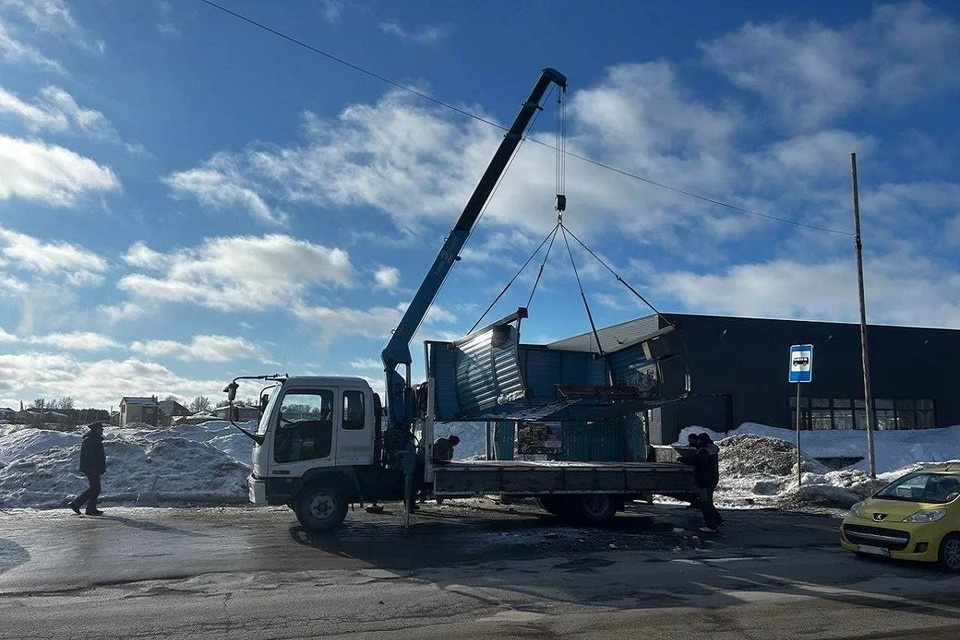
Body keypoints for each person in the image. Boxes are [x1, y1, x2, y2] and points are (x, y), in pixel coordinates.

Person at [67, 422, 107, 516]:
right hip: (91, 468)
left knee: (95, 488)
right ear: (95, 429)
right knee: (95, 488)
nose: (102, 430)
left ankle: (90, 508)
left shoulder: (94, 439)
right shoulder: (90, 440)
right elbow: (91, 457)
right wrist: (96, 468)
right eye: (100, 429)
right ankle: (77, 504)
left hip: (93, 467)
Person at [693, 432, 723, 533]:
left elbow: (700, 463)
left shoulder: (703, 451)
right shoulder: (712, 449)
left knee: (705, 503)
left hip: (704, 480)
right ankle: (718, 520)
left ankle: (711, 525)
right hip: (712, 479)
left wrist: (686, 460)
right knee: (708, 502)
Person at [677, 433, 701, 509]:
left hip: (697, 471)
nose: (689, 441)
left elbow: (694, 459)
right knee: (691, 488)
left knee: (696, 488)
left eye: (691, 439)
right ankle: (694, 502)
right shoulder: (689, 447)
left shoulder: (699, 449)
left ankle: (698, 503)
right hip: (691, 471)